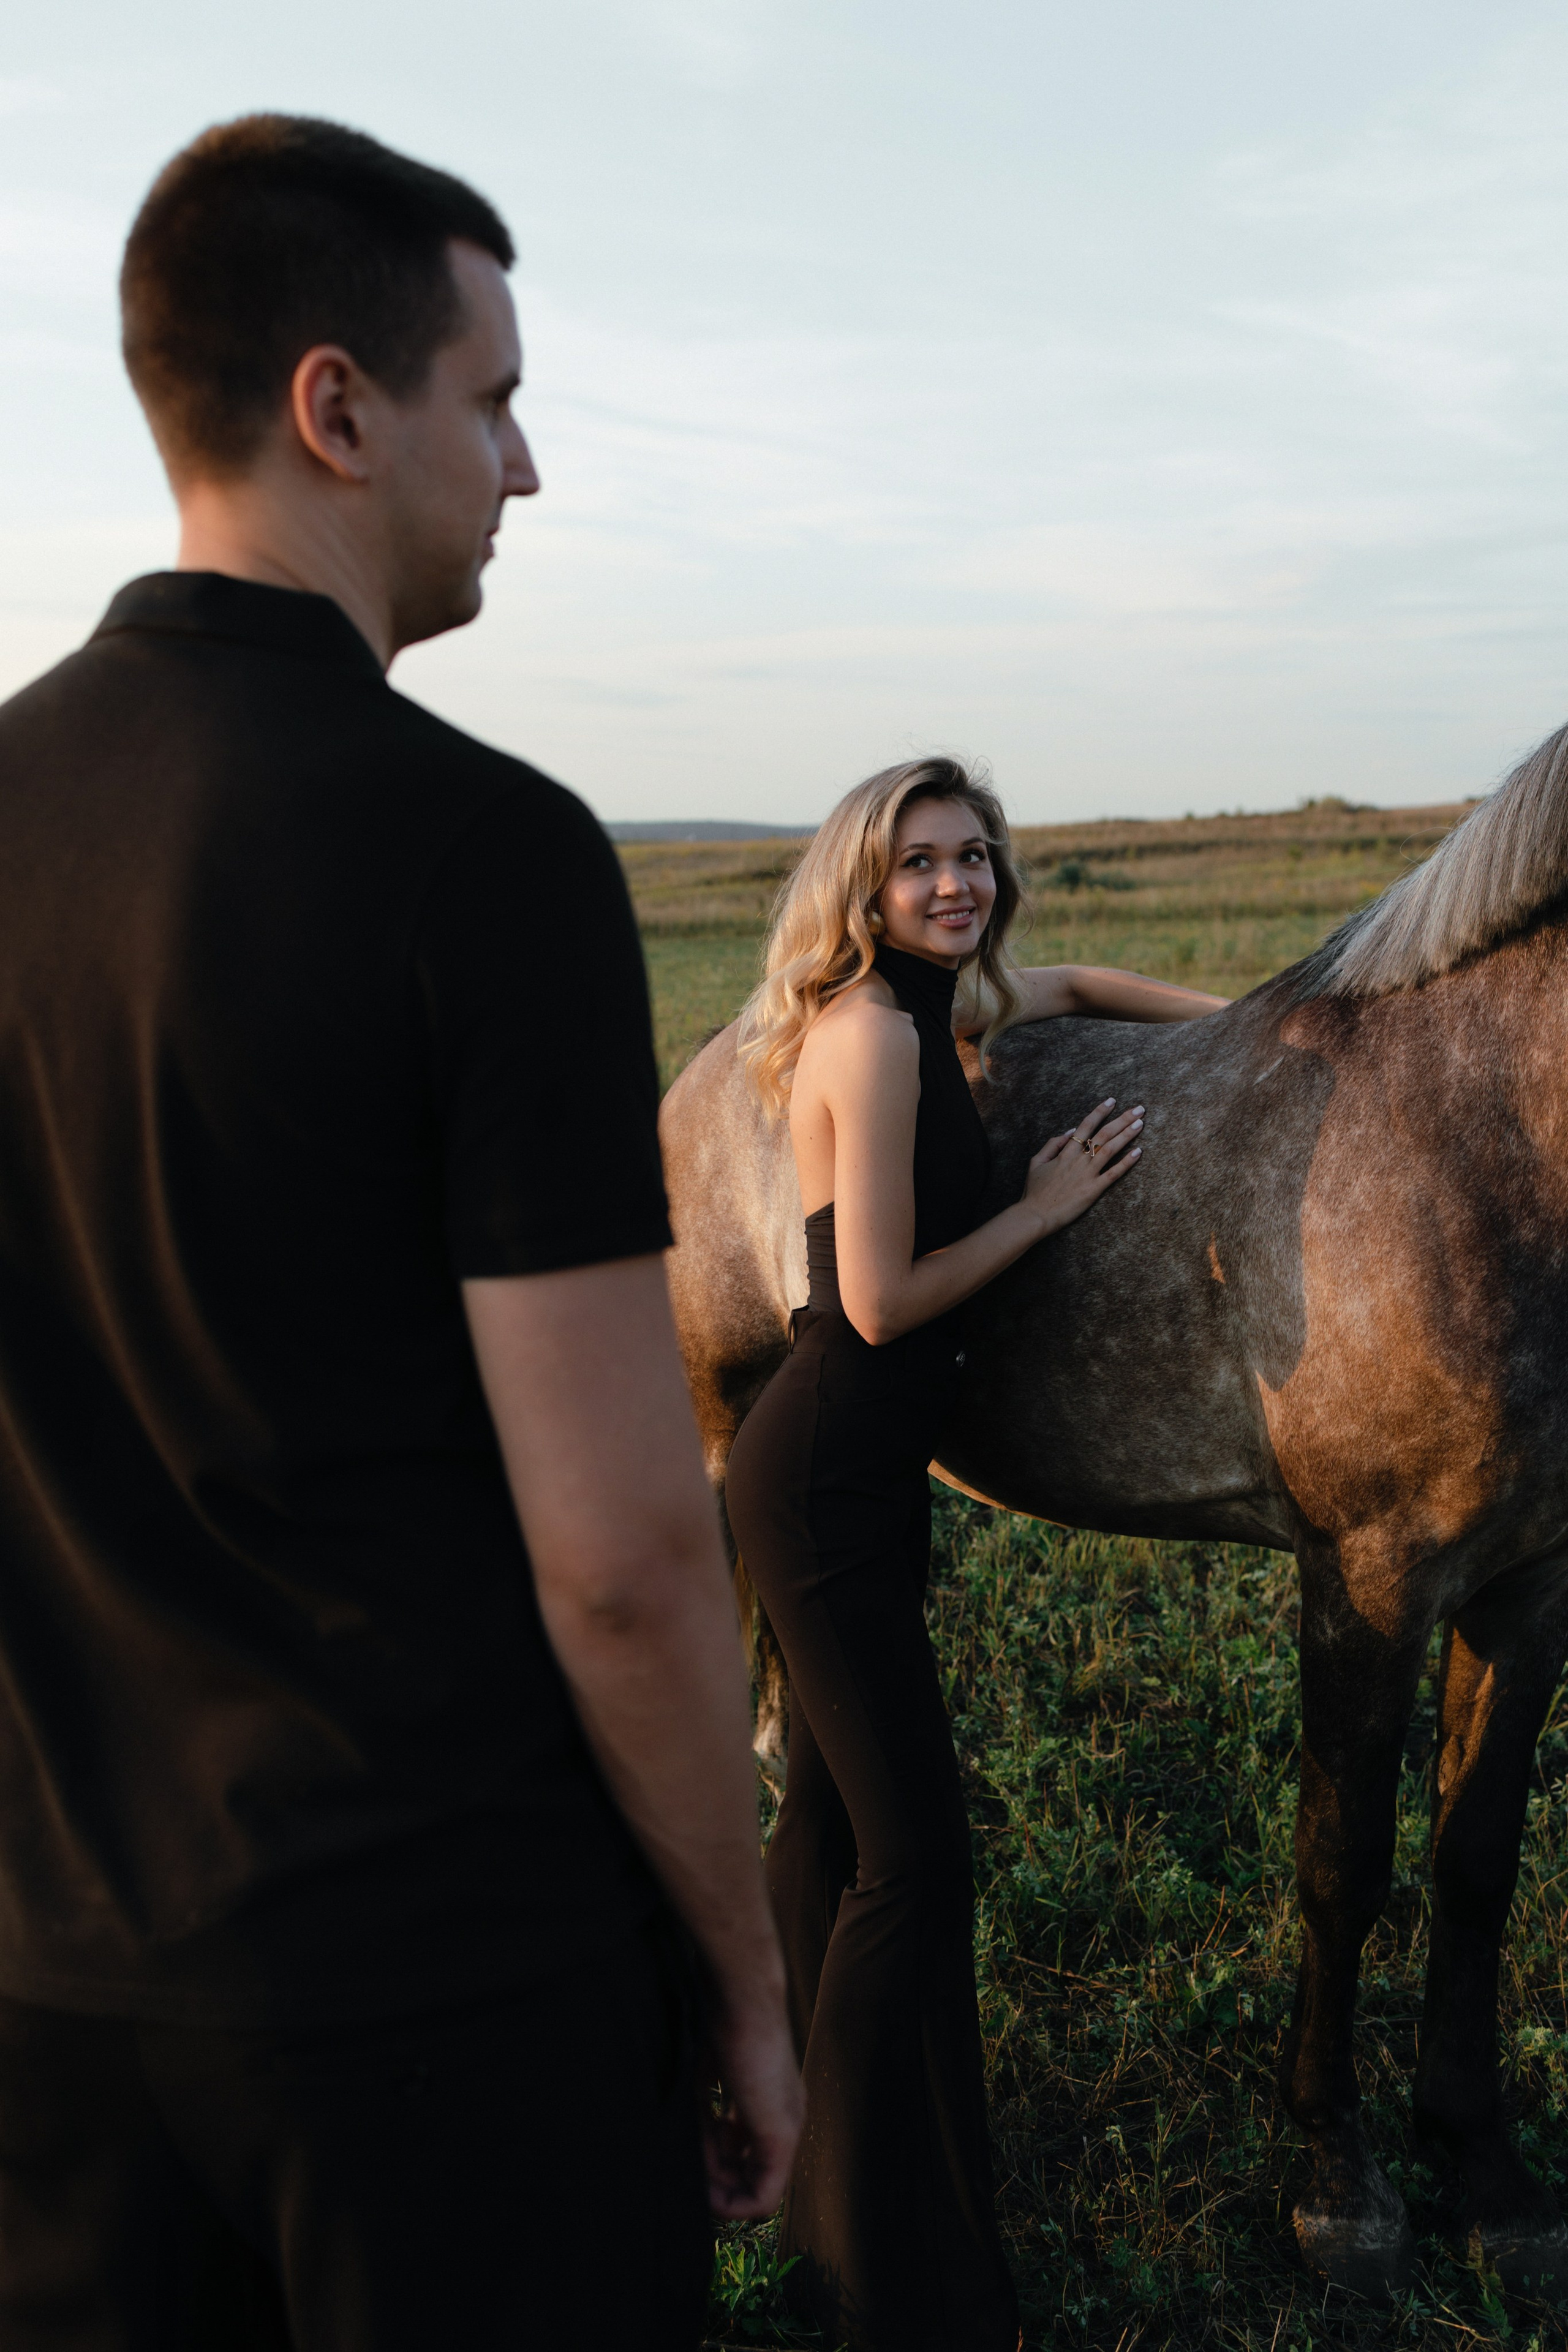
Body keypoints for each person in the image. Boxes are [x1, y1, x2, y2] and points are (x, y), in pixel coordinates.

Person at [0, 115, 799, 2350]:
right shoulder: (489, 855)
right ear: (336, 409)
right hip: (439, 2014)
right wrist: (745, 1990)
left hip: (49, 2016)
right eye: (498, 397)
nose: (525, 470)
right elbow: (626, 1559)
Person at [725, 758, 1226, 2350]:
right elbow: (874, 1304)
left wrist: (1269, 1023)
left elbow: (1071, 976)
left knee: (826, 1824)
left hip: (857, 1483)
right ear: (859, 892)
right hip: (822, 1483)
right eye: (921, 865)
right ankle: (882, 2268)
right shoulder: (872, 1036)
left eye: (976, 856)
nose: (957, 886)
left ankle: (767, 2119)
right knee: (914, 1867)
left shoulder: (934, 1005)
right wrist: (1049, 1201)